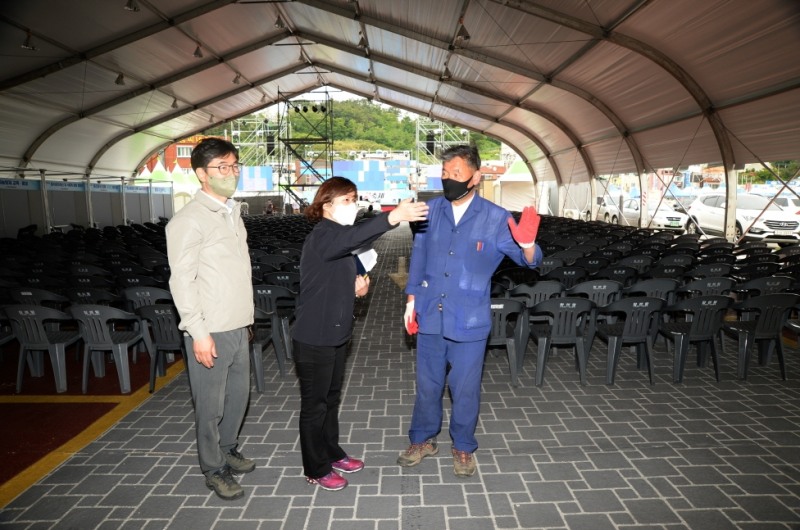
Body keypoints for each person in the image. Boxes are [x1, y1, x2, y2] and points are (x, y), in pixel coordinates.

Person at [398, 144, 543, 478]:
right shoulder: (429, 211)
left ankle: (463, 446)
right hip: (431, 311)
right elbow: (418, 257)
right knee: (428, 385)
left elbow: (530, 261)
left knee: (464, 388)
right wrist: (410, 300)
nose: (449, 179)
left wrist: (527, 244)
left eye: (456, 174)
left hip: (469, 319)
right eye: (445, 174)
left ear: (476, 177)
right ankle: (422, 439)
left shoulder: (496, 218)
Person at [292, 176, 428, 491]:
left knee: (331, 398)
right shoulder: (324, 236)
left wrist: (358, 290)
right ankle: (315, 467)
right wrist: (393, 217)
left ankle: (332, 451)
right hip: (314, 337)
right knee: (315, 405)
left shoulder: (343, 238)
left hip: (337, 332)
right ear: (325, 205)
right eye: (345, 200)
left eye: (354, 199)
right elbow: (354, 237)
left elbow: (342, 275)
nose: (352, 206)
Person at [166, 137, 255, 501]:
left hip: (236, 323)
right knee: (209, 405)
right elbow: (181, 280)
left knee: (238, 396)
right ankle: (213, 467)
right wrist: (198, 333)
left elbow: (237, 272)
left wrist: (247, 319)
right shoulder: (187, 221)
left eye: (234, 166)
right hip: (209, 330)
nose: (231, 173)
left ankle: (229, 447)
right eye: (222, 167)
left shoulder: (232, 211)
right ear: (202, 174)